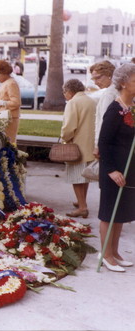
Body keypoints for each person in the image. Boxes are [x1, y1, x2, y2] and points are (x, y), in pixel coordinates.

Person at [97, 63, 135, 272]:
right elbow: (104, 142)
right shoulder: (114, 109)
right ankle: (106, 255)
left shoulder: (133, 107)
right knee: (110, 211)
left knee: (121, 212)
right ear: (123, 83)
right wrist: (111, 170)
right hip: (114, 170)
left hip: (129, 168)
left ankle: (115, 251)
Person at [60, 79, 96, 218]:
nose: (64, 95)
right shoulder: (92, 101)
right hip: (90, 146)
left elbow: (69, 126)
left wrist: (64, 137)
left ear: (69, 91)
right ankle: (82, 202)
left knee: (76, 178)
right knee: (84, 177)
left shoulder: (73, 102)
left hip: (76, 146)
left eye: (64, 92)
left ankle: (82, 207)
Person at [89, 60, 117, 159]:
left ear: (109, 74)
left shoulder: (109, 94)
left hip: (108, 143)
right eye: (93, 79)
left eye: (98, 78)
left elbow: (104, 121)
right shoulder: (118, 90)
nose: (96, 82)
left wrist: (97, 145)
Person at [0, 60, 21, 144]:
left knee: (9, 142)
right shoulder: (5, 83)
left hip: (10, 118)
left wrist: (2, 103)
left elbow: (16, 103)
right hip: (3, 117)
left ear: (4, 72)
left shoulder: (11, 83)